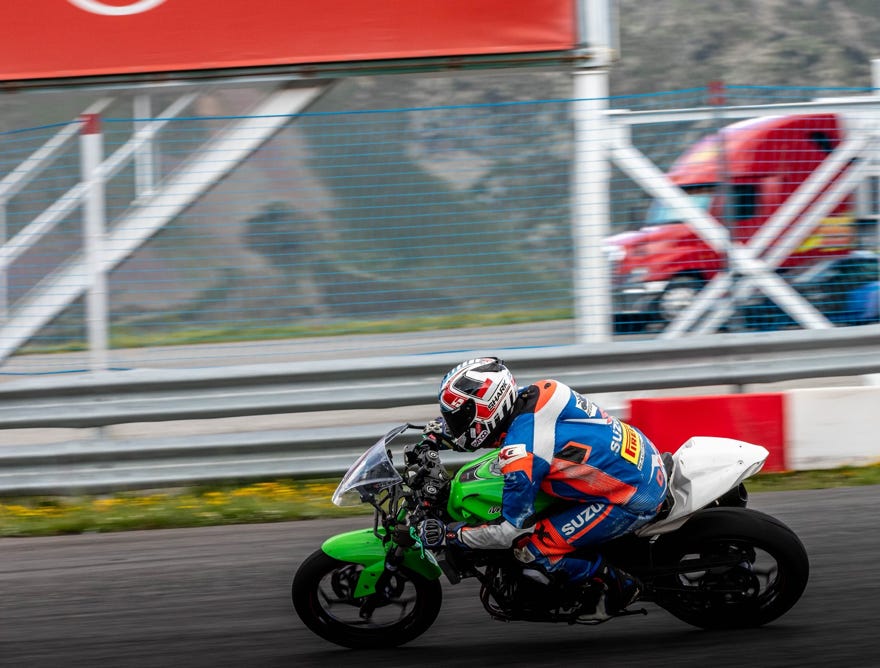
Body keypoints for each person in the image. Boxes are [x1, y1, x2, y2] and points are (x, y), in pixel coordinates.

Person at [418, 357, 668, 620]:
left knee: (529, 548)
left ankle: (618, 587)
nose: (455, 425)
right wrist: (439, 435)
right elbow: (491, 429)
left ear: (487, 408)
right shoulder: (542, 390)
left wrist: (451, 535)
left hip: (632, 496)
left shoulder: (521, 455)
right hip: (641, 457)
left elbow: (510, 532)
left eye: (458, 418)